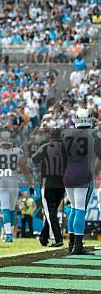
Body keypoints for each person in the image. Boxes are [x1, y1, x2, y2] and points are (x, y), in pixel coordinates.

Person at [61, 109, 100, 254]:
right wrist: (94, 173)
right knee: (80, 210)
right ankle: (78, 246)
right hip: (82, 173)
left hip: (68, 173)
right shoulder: (94, 134)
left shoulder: (66, 134)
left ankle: (71, 244)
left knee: (73, 208)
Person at [0, 130, 35, 243]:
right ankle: (10, 234)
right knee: (12, 209)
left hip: (2, 181)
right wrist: (31, 184)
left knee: (5, 209)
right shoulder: (17, 151)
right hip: (14, 182)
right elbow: (24, 170)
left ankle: (8, 235)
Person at [31, 128, 66, 247]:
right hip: (61, 184)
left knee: (50, 211)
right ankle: (44, 237)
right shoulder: (65, 148)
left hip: (48, 183)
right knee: (51, 212)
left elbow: (34, 159)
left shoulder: (46, 147)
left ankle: (57, 238)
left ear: (50, 136)